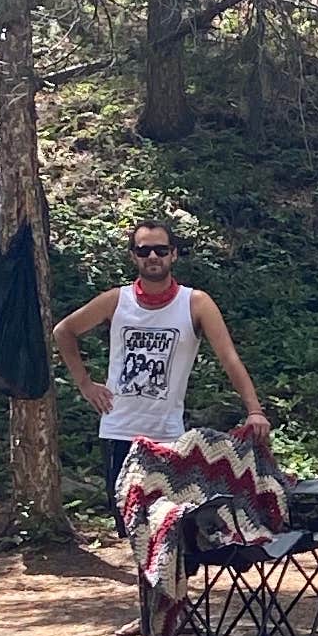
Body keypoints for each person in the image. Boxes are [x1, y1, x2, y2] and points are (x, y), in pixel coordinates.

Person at [58, 218, 269, 515]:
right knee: (129, 523)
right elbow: (64, 331)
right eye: (144, 251)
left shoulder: (195, 303)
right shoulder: (116, 300)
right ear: (133, 256)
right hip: (119, 431)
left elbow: (229, 358)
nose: (153, 257)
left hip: (167, 434)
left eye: (160, 249)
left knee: (170, 524)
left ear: (174, 254)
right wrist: (85, 384)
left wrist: (255, 410)